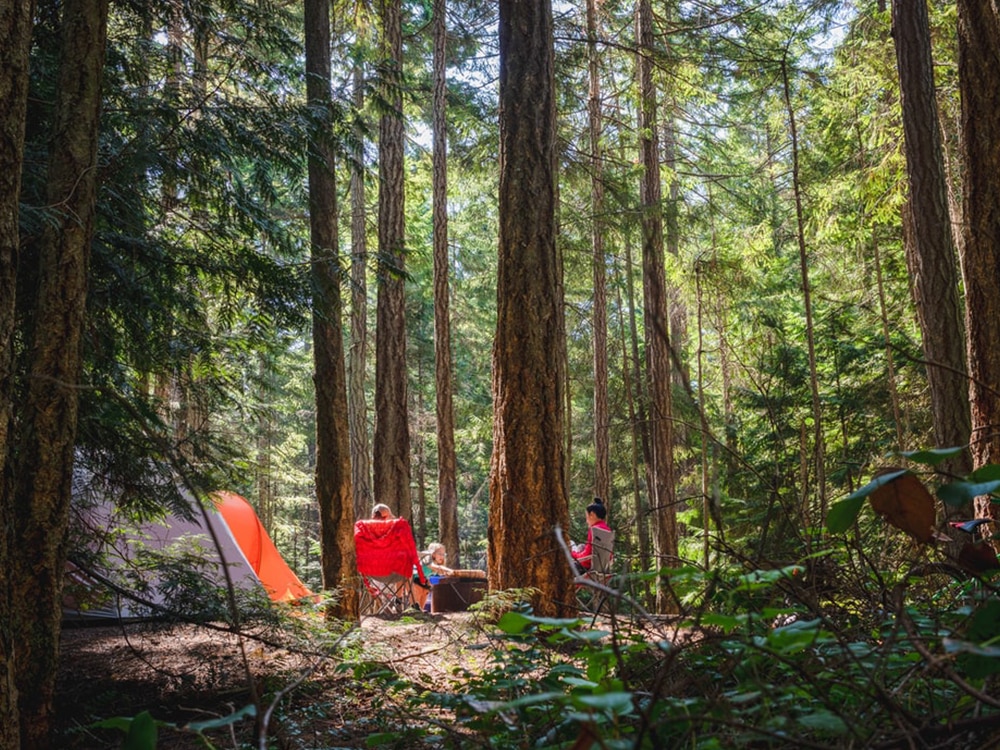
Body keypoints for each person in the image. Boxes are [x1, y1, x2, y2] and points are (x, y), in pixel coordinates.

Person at [571, 497, 611, 573]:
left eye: (587, 517)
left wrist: (573, 554)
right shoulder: (607, 530)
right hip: (604, 568)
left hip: (587, 568)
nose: (586, 521)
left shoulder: (595, 530)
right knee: (581, 546)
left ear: (592, 514)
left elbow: (587, 557)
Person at [413, 542, 454, 611]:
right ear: (433, 553)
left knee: (425, 592)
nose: (442, 556)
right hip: (413, 578)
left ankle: (420, 612)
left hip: (423, 579)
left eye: (443, 554)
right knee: (419, 592)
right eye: (440, 554)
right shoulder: (427, 556)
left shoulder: (437, 563)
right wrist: (450, 570)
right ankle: (415, 611)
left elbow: (431, 572)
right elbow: (432, 566)